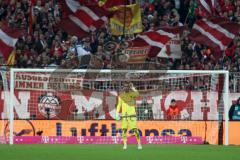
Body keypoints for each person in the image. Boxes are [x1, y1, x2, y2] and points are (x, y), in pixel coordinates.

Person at [116, 81, 142, 150]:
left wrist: (133, 88)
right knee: (123, 131)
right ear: (123, 88)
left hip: (132, 116)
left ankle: (139, 143)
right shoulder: (121, 96)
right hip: (124, 116)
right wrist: (117, 113)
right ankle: (125, 144)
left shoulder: (132, 94)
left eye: (127, 86)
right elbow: (119, 105)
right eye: (124, 86)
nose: (126, 88)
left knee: (135, 130)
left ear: (129, 87)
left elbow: (138, 94)